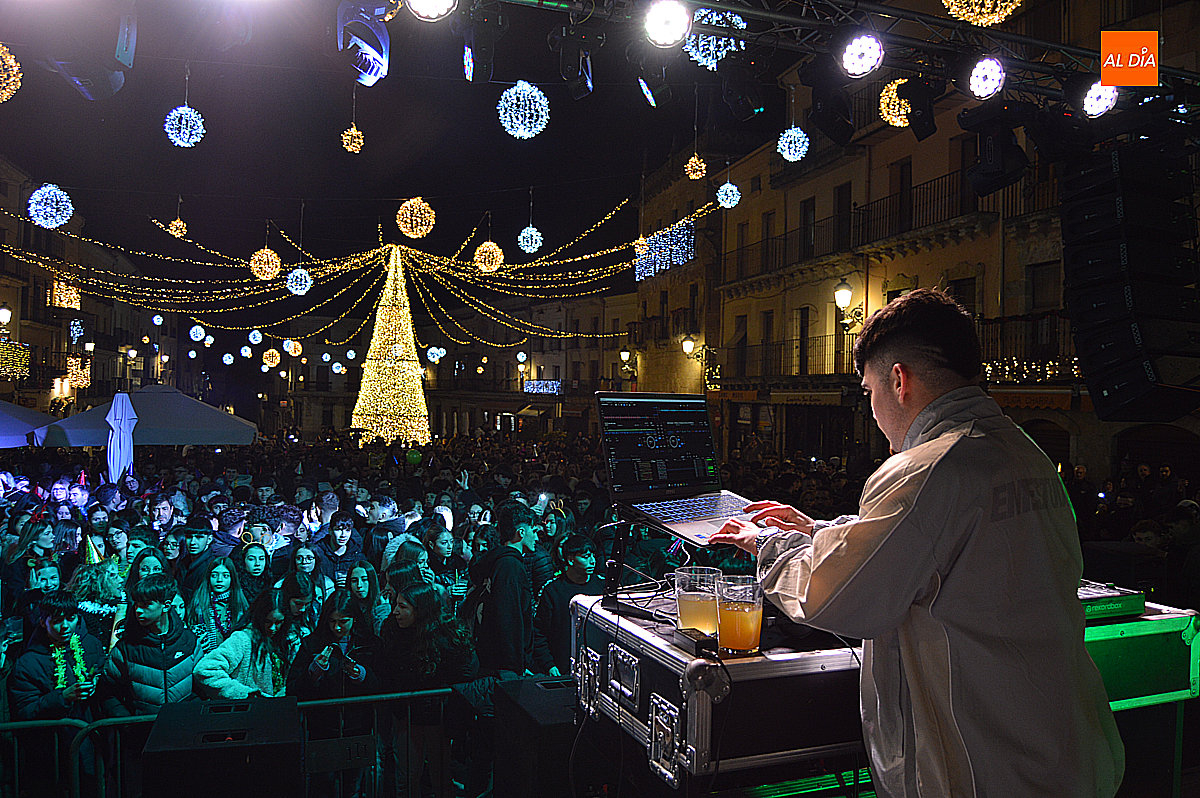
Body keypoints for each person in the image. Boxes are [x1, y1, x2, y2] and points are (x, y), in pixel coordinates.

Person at [710, 288, 1123, 797]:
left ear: (899, 381)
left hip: (984, 770)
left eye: (868, 392)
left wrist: (769, 544)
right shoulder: (1022, 451)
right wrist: (820, 532)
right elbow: (931, 542)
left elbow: (832, 596)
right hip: (1067, 754)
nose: (873, 409)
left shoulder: (926, 467)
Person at [378, 581, 478, 798]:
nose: (395, 611)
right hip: (407, 716)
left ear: (420, 608)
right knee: (407, 776)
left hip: (437, 719)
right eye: (396, 604)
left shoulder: (447, 637)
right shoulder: (394, 632)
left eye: (403, 606)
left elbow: (466, 671)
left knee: (440, 776)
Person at [287, 590, 379, 798]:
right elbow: (293, 688)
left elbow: (384, 684)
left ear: (354, 618)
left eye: (343, 621)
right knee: (323, 786)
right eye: (332, 621)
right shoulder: (313, 644)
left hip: (359, 727)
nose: (337, 627)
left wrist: (362, 675)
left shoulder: (369, 643)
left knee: (354, 787)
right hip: (323, 728)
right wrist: (313, 673)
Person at [100, 573, 202, 715]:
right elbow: (107, 692)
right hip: (142, 730)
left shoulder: (188, 642)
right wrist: (126, 721)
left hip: (183, 727)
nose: (138, 610)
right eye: (136, 604)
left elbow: (201, 685)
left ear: (166, 606)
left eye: (146, 604)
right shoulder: (126, 648)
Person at [194, 588, 292, 699]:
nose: (273, 628)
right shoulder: (242, 639)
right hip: (249, 711)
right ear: (260, 617)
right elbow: (204, 670)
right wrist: (245, 694)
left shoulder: (286, 640)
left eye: (278, 622)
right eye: (267, 621)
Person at [532, 534, 604, 676]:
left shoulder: (602, 586)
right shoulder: (553, 590)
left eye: (593, 556)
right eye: (585, 557)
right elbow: (538, 632)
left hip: (596, 669)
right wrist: (549, 664)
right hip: (562, 669)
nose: (592, 561)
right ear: (571, 560)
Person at [186, 556, 249, 654]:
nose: (219, 580)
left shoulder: (240, 604)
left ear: (232, 579)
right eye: (214, 575)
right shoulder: (198, 604)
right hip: (204, 657)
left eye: (225, 576)